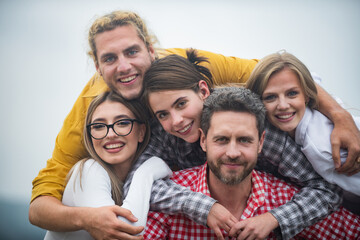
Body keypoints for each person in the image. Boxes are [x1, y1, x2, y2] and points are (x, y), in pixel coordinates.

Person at [29, 10, 360, 239]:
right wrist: (203, 207)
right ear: (99, 69)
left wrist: (340, 115)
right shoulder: (105, 113)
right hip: (210, 198)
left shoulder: (244, 119)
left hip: (283, 196)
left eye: (131, 51)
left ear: (151, 49)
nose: (125, 66)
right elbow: (48, 192)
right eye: (110, 59)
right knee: (86, 172)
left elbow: (278, 71)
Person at [139, 50, 342, 239]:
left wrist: (275, 218)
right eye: (163, 114)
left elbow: (326, 189)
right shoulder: (164, 135)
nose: (176, 120)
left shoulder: (249, 123)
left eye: (181, 104)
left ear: (203, 90)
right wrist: (201, 206)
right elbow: (137, 183)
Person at [44, 91, 173, 239]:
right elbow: (124, 232)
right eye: (99, 126)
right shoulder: (89, 171)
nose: (110, 134)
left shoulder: (129, 183)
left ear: (141, 132)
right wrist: (147, 171)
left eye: (122, 123)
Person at [245, 51, 360, 214]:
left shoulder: (321, 150)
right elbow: (312, 77)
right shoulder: (308, 103)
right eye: (270, 97)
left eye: (292, 93)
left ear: (306, 94)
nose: (283, 105)